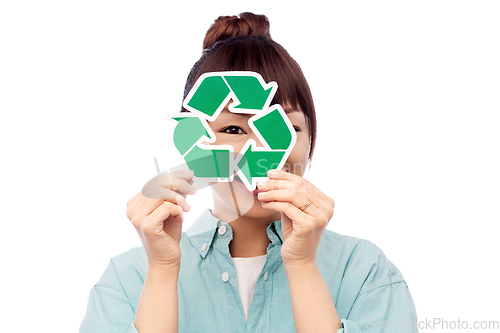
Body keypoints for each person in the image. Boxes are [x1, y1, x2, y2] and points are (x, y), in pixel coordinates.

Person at [80, 12, 417, 333]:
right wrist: (163, 272)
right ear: (192, 141)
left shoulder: (364, 272)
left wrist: (302, 266)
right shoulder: (128, 279)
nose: (262, 153)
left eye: (284, 128)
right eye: (234, 130)